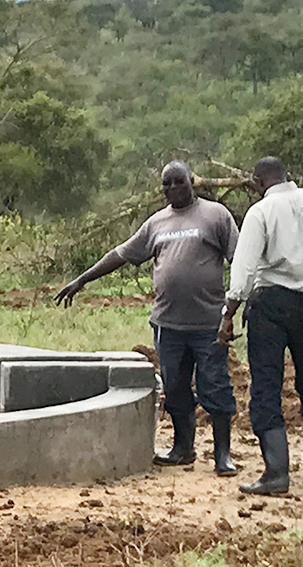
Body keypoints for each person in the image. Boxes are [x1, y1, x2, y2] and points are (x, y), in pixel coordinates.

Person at [55, 160, 240, 476]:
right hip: (168, 324)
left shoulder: (216, 215)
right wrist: (82, 279)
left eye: (177, 182)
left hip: (208, 323)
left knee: (215, 387)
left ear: (191, 182)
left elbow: (240, 260)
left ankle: (223, 454)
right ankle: (183, 448)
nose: (171, 189)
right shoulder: (156, 223)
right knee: (176, 388)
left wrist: (234, 310)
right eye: (165, 184)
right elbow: (121, 254)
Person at [218, 156, 303, 496]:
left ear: (259, 182)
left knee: (266, 384)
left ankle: (276, 473)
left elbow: (244, 270)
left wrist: (229, 312)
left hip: (269, 306)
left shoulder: (260, 212)